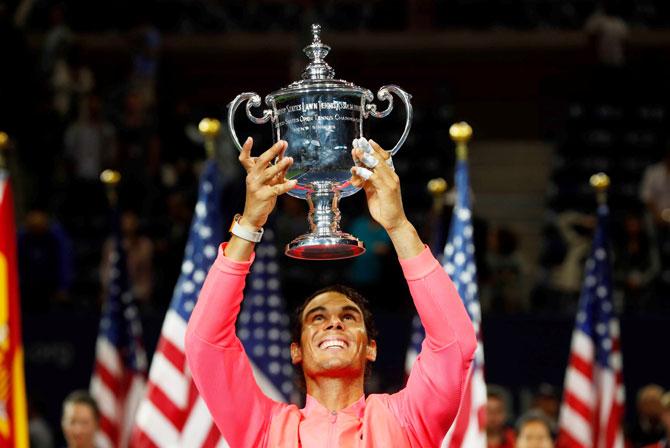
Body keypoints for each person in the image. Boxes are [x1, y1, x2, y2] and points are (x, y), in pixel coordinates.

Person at [185, 138, 478, 447]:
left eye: (349, 317)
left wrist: (397, 225)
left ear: (371, 348)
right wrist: (248, 225)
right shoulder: (265, 430)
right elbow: (205, 344)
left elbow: (455, 343)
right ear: (295, 351)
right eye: (317, 317)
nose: (334, 323)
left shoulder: (405, 421)